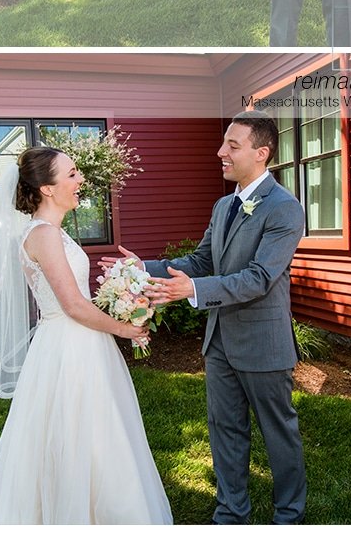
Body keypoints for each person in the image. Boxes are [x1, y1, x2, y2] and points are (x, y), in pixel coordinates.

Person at [0, 148, 172, 524]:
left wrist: (120, 297)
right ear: (47, 188)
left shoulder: (50, 232)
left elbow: (77, 300)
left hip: (78, 341)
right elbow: (74, 306)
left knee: (91, 431)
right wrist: (126, 328)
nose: (81, 182)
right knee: (78, 429)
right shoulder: (43, 235)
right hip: (69, 345)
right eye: (73, 175)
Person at [113, 111, 307, 525]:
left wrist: (194, 292)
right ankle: (230, 514)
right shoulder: (223, 206)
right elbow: (203, 260)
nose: (220, 152)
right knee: (225, 432)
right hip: (219, 343)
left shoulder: (285, 209)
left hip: (263, 343)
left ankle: (289, 516)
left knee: (279, 435)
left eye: (232, 146)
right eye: (223, 144)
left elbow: (259, 278)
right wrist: (144, 269)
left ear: (261, 153)